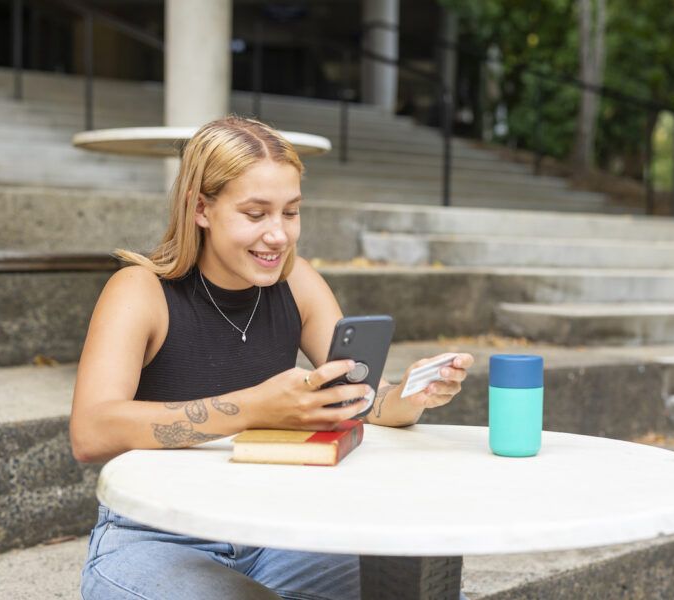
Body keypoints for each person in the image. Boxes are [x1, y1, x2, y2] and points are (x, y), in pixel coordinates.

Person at [70, 115, 475, 600]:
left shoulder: (297, 281)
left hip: (278, 535)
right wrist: (255, 408)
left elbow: (362, 398)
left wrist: (410, 394)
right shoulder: (140, 291)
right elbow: (91, 433)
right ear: (201, 209)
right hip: (156, 537)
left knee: (412, 586)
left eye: (290, 212)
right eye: (256, 214)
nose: (279, 235)